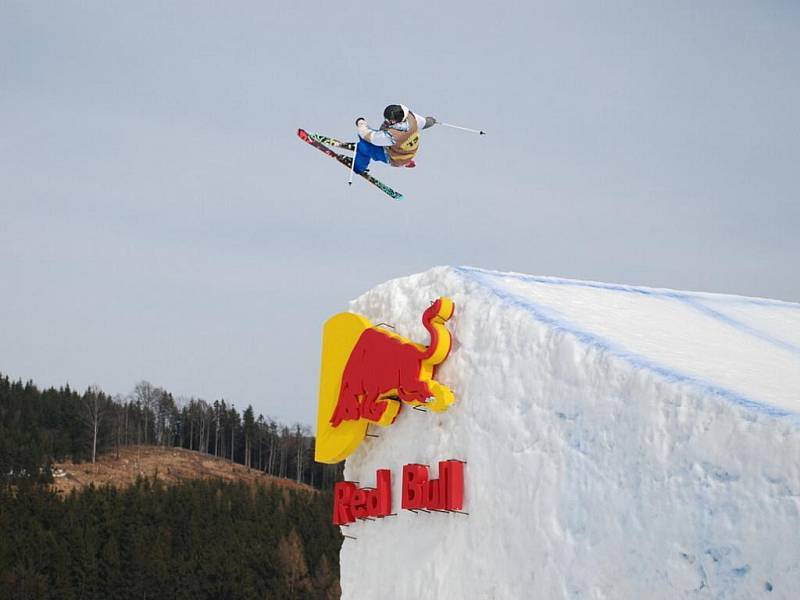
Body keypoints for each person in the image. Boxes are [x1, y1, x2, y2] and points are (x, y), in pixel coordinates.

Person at [353, 104, 437, 174]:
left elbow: (372, 138)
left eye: (389, 120)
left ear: (394, 121)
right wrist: (431, 121)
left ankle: (359, 168)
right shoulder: (411, 117)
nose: (386, 121)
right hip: (408, 152)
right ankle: (406, 160)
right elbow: (424, 123)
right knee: (373, 136)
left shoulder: (393, 135)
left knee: (363, 147)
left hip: (394, 158)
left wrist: (361, 124)